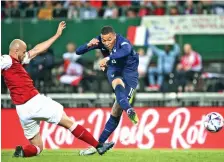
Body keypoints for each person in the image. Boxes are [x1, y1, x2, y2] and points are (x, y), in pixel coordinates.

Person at [1, 21, 114, 158]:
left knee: (38, 147)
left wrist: (56, 35)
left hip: (22, 110)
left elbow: (37, 50)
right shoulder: (7, 59)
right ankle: (99, 146)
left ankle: (22, 152)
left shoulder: (17, 61)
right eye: (23, 51)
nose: (25, 54)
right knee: (68, 121)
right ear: (15, 50)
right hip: (34, 102)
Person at [76, 26, 139, 155]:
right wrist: (88, 45)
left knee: (116, 109)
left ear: (114, 36)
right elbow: (78, 51)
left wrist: (107, 58)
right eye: (104, 40)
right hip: (114, 69)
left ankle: (97, 146)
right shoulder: (100, 41)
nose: (106, 43)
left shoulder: (123, 41)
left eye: (109, 40)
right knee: (118, 89)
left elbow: (126, 51)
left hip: (130, 72)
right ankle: (129, 110)